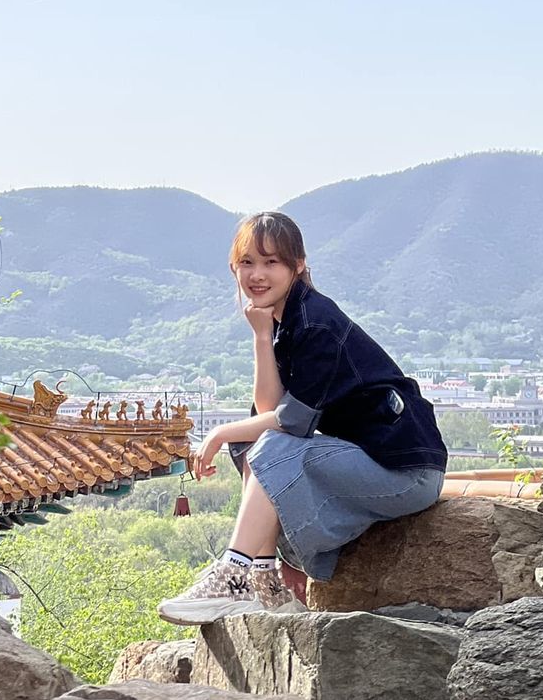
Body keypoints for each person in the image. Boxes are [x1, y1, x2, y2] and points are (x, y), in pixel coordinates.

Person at [158, 211, 447, 626]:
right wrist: (261, 336)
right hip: (368, 462)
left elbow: (291, 422)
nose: (257, 274)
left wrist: (218, 432)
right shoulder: (286, 321)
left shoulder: (315, 324)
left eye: (271, 262)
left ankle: (233, 575)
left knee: (272, 440)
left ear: (298, 265)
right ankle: (263, 580)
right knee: (251, 440)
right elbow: (268, 410)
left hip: (407, 473)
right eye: (247, 262)